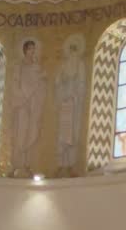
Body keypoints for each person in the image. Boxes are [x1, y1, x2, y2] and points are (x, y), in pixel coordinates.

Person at [11, 40, 47, 175]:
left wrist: (41, 80)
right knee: (22, 132)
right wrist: (22, 97)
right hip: (23, 104)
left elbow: (42, 85)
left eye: (34, 49)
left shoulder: (37, 67)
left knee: (32, 131)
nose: (33, 51)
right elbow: (15, 84)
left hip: (34, 104)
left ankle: (27, 163)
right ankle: (19, 163)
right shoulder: (19, 66)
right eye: (30, 49)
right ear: (25, 50)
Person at [54, 36, 86, 176]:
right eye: (71, 49)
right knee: (63, 135)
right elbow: (57, 82)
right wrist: (62, 85)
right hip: (65, 103)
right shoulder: (63, 66)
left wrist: (75, 94)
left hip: (74, 103)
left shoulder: (80, 65)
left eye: (75, 49)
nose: (73, 52)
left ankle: (71, 165)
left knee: (73, 135)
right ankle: (61, 165)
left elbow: (82, 83)